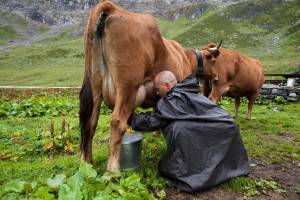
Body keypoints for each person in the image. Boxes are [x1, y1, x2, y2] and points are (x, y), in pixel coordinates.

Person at [128, 71, 249, 193]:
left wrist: (129, 118)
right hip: (227, 125)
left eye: (158, 89)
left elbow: (152, 121)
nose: (157, 93)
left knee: (179, 129)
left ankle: (195, 172)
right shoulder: (188, 91)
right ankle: (224, 168)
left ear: (167, 86)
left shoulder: (173, 100)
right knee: (183, 126)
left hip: (221, 127)